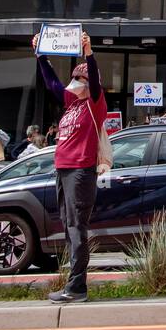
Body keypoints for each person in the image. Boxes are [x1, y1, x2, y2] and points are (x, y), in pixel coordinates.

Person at [33, 30, 107, 303]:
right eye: (73, 77)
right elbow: (52, 84)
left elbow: (96, 82)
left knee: (77, 227)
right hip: (63, 169)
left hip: (80, 170)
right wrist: (41, 56)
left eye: (78, 78)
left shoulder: (94, 104)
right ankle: (72, 284)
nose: (72, 82)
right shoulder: (70, 104)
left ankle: (77, 287)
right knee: (68, 225)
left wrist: (89, 52)